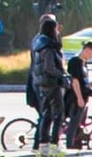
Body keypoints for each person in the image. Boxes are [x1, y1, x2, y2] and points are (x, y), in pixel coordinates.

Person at [28, 14, 69, 149]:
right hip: (52, 83)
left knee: (46, 113)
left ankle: (42, 143)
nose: (58, 31)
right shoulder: (49, 47)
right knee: (57, 113)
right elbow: (50, 67)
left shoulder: (38, 43)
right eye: (56, 28)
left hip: (41, 83)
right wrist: (62, 74)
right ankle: (53, 143)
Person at [66, 40, 92, 149]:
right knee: (74, 121)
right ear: (86, 50)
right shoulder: (75, 62)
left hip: (85, 96)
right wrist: (79, 98)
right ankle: (70, 143)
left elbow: (84, 81)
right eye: (91, 54)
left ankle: (77, 142)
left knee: (80, 122)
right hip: (76, 97)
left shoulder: (83, 63)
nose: (91, 57)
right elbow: (75, 81)